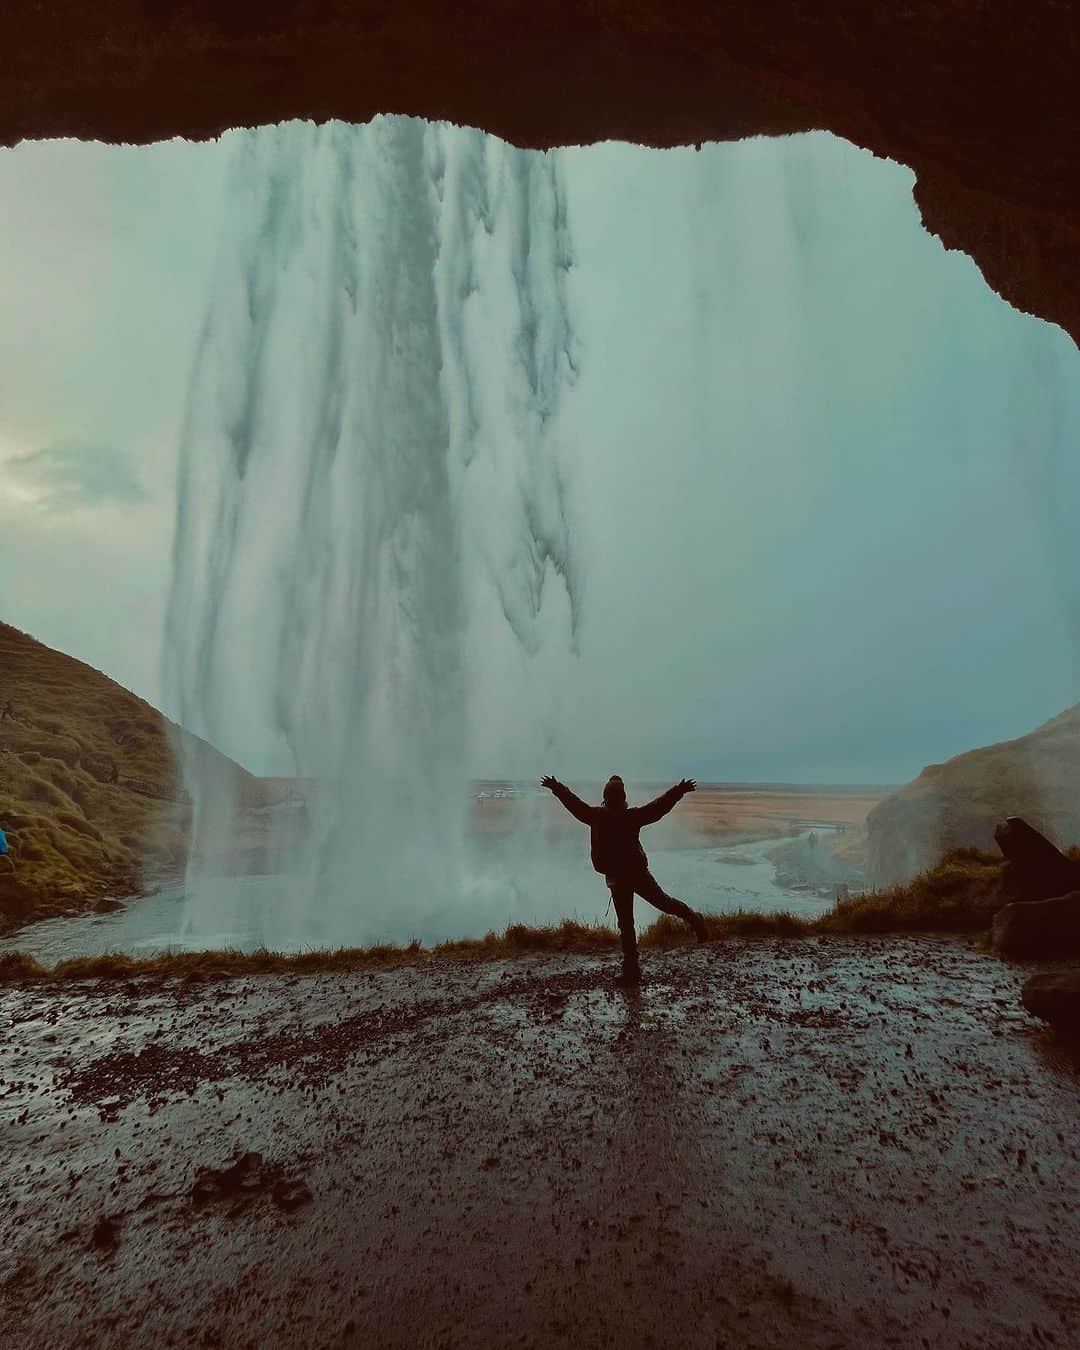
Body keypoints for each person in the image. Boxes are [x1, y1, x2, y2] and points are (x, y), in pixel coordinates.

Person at [540, 773, 708, 987]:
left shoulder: (596, 816)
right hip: (634, 874)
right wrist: (678, 791)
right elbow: (658, 807)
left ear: (606, 797)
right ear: (623, 798)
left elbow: (574, 804)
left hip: (620, 877)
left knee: (628, 923)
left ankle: (633, 969)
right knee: (660, 905)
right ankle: (694, 923)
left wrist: (556, 787)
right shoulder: (629, 816)